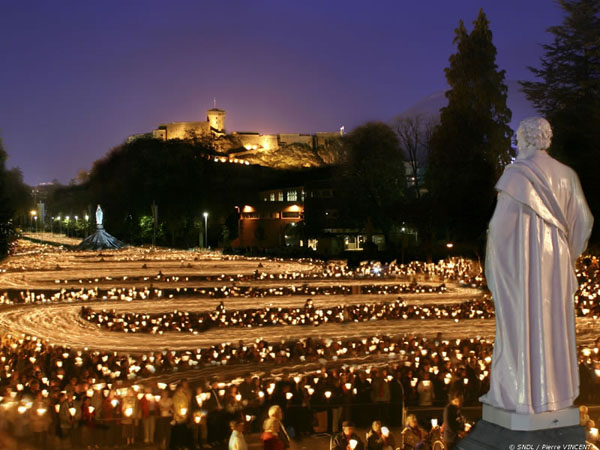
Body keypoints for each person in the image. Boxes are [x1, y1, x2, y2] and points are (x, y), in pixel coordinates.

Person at [481, 117, 593, 414]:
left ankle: (522, 395)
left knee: (522, 322)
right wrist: (567, 255)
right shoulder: (567, 175)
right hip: (555, 262)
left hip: (525, 265)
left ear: (526, 139)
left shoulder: (517, 175)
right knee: (553, 323)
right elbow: (584, 220)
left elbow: (501, 228)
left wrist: (495, 264)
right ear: (546, 138)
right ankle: (555, 393)